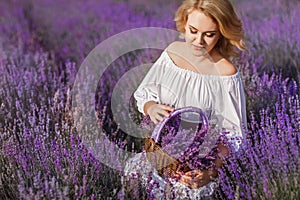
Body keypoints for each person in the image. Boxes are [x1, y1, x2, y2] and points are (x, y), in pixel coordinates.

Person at [125, 0, 247, 198]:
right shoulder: (173, 52)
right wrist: (151, 107)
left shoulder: (225, 72)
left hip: (198, 165)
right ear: (184, 23)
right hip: (160, 156)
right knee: (134, 179)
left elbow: (233, 134)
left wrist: (210, 172)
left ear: (222, 33)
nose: (199, 41)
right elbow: (145, 92)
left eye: (209, 34)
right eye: (193, 30)